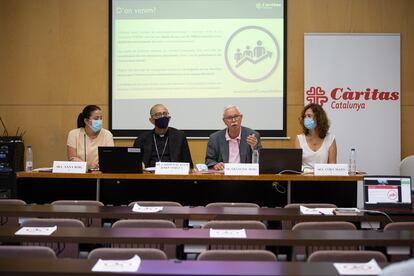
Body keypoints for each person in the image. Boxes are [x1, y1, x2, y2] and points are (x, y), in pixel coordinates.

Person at [133, 104, 193, 168]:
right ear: (151, 120)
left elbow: (188, 164)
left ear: (169, 118)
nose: (162, 116)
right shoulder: (142, 139)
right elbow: (134, 163)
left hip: (173, 175)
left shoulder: (179, 136)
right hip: (149, 175)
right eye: (158, 115)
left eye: (165, 114)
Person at [205, 105, 261, 170]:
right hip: (223, 177)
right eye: (229, 118)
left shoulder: (253, 135)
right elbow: (209, 160)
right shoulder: (215, 138)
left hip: (245, 176)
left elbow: (261, 161)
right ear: (224, 121)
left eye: (236, 116)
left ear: (241, 117)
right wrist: (215, 165)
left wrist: (254, 148)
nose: (234, 120)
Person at [67, 105, 114, 169]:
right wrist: (86, 165)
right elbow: (72, 158)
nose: (99, 121)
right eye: (96, 118)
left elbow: (110, 158)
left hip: (101, 173)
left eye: (101, 118)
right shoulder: (74, 134)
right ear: (86, 121)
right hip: (80, 173)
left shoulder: (107, 134)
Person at [294, 103, 337, 170]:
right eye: (304, 116)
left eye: (309, 116)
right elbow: (296, 166)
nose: (306, 119)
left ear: (318, 118)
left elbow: (333, 167)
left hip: (324, 178)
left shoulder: (330, 138)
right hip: (304, 179)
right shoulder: (299, 139)